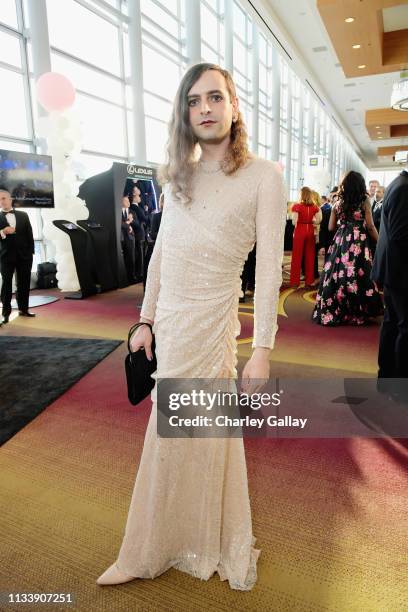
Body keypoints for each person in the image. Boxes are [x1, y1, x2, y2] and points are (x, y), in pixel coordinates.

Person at [96, 62, 287, 591]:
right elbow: (160, 255)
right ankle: (163, 541)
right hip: (172, 324)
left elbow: (269, 271)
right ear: (185, 112)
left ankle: (172, 544)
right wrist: (145, 320)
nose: (204, 108)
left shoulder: (264, 178)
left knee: (200, 436)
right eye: (194, 101)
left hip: (212, 327)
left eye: (215, 98)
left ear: (234, 106)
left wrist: (264, 348)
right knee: (174, 433)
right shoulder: (175, 175)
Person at [312, 171, 383, 326]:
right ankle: (357, 309)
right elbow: (370, 226)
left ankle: (337, 307)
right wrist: (381, 241)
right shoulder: (364, 201)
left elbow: (330, 227)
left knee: (337, 272)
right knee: (359, 273)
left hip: (341, 240)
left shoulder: (338, 202)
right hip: (358, 241)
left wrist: (343, 223)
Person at [371, 167, 408, 384]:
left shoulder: (399, 184)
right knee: (403, 326)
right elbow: (401, 235)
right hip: (400, 271)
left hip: (394, 269)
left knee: (393, 323)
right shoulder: (404, 188)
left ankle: (387, 380)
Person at [0, 188, 35, 323]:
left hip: (24, 256)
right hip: (5, 256)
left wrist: (31, 252)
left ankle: (24, 309)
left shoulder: (23, 215)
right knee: (7, 285)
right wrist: (3, 231)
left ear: (11, 199)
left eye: (3, 198)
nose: (1, 201)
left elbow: (29, 235)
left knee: (24, 283)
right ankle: (6, 314)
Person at [289, 186, 321, 288]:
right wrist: (311, 221)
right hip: (310, 230)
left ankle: (295, 282)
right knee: (310, 256)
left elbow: (294, 221)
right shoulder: (315, 207)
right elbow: (318, 220)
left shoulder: (297, 206)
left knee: (296, 257)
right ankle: (309, 281)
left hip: (300, 230)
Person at [121, 195, 136, 284]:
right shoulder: (117, 212)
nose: (128, 202)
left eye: (128, 200)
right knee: (122, 258)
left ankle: (131, 277)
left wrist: (131, 221)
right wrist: (128, 223)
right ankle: (124, 278)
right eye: (126, 200)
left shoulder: (133, 212)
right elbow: (119, 224)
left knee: (131, 258)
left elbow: (138, 224)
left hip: (130, 238)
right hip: (121, 238)